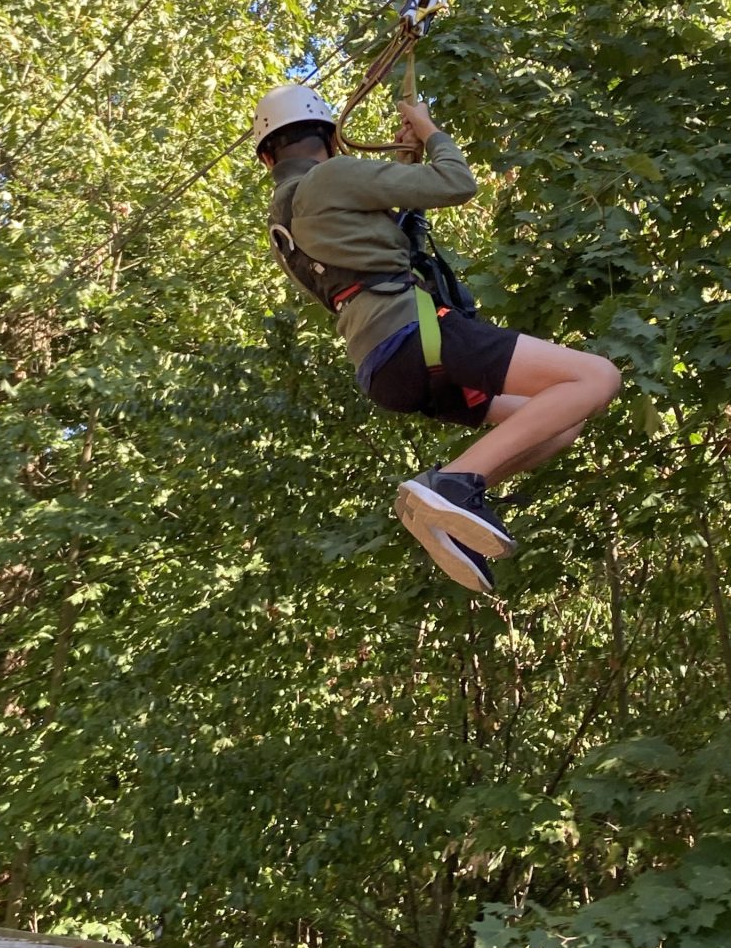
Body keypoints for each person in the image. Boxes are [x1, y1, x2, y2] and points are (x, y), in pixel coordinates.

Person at [255, 83, 621, 593]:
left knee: (561, 424)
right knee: (596, 377)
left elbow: (377, 237)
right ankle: (451, 484)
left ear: (268, 154)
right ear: (333, 137)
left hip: (387, 371)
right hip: (418, 335)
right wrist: (428, 131)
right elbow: (455, 182)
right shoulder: (334, 178)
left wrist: (403, 158)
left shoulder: (282, 226)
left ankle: (446, 507)